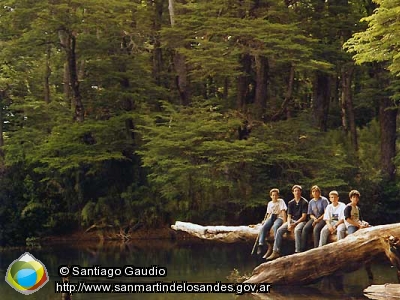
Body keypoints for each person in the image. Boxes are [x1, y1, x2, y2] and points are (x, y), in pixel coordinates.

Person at [266, 185, 308, 260]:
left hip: (301, 221)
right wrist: (288, 224)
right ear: (293, 192)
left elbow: (304, 217)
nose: (297, 192)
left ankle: (298, 251)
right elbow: (289, 216)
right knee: (279, 230)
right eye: (295, 191)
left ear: (301, 192)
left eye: (298, 191)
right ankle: (276, 251)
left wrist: (294, 224)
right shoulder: (291, 203)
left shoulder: (304, 202)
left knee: (297, 230)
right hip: (292, 220)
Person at [256, 188, 287, 255]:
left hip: (279, 217)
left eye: (276, 195)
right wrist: (265, 220)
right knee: (264, 227)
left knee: (276, 226)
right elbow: (269, 214)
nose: (274, 197)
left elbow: (283, 211)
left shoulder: (281, 201)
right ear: (271, 196)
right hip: (272, 217)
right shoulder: (270, 203)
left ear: (278, 196)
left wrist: (284, 222)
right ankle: (260, 244)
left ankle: (276, 247)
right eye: (273, 195)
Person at [301, 185, 329, 251]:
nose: (315, 193)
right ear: (311, 193)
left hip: (323, 218)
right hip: (314, 218)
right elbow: (310, 214)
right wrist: (314, 219)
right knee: (305, 228)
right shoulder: (311, 202)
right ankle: (303, 248)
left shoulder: (324, 200)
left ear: (319, 192)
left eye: (316, 191)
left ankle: (316, 249)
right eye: (313, 191)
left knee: (316, 229)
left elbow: (326, 213)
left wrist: (318, 219)